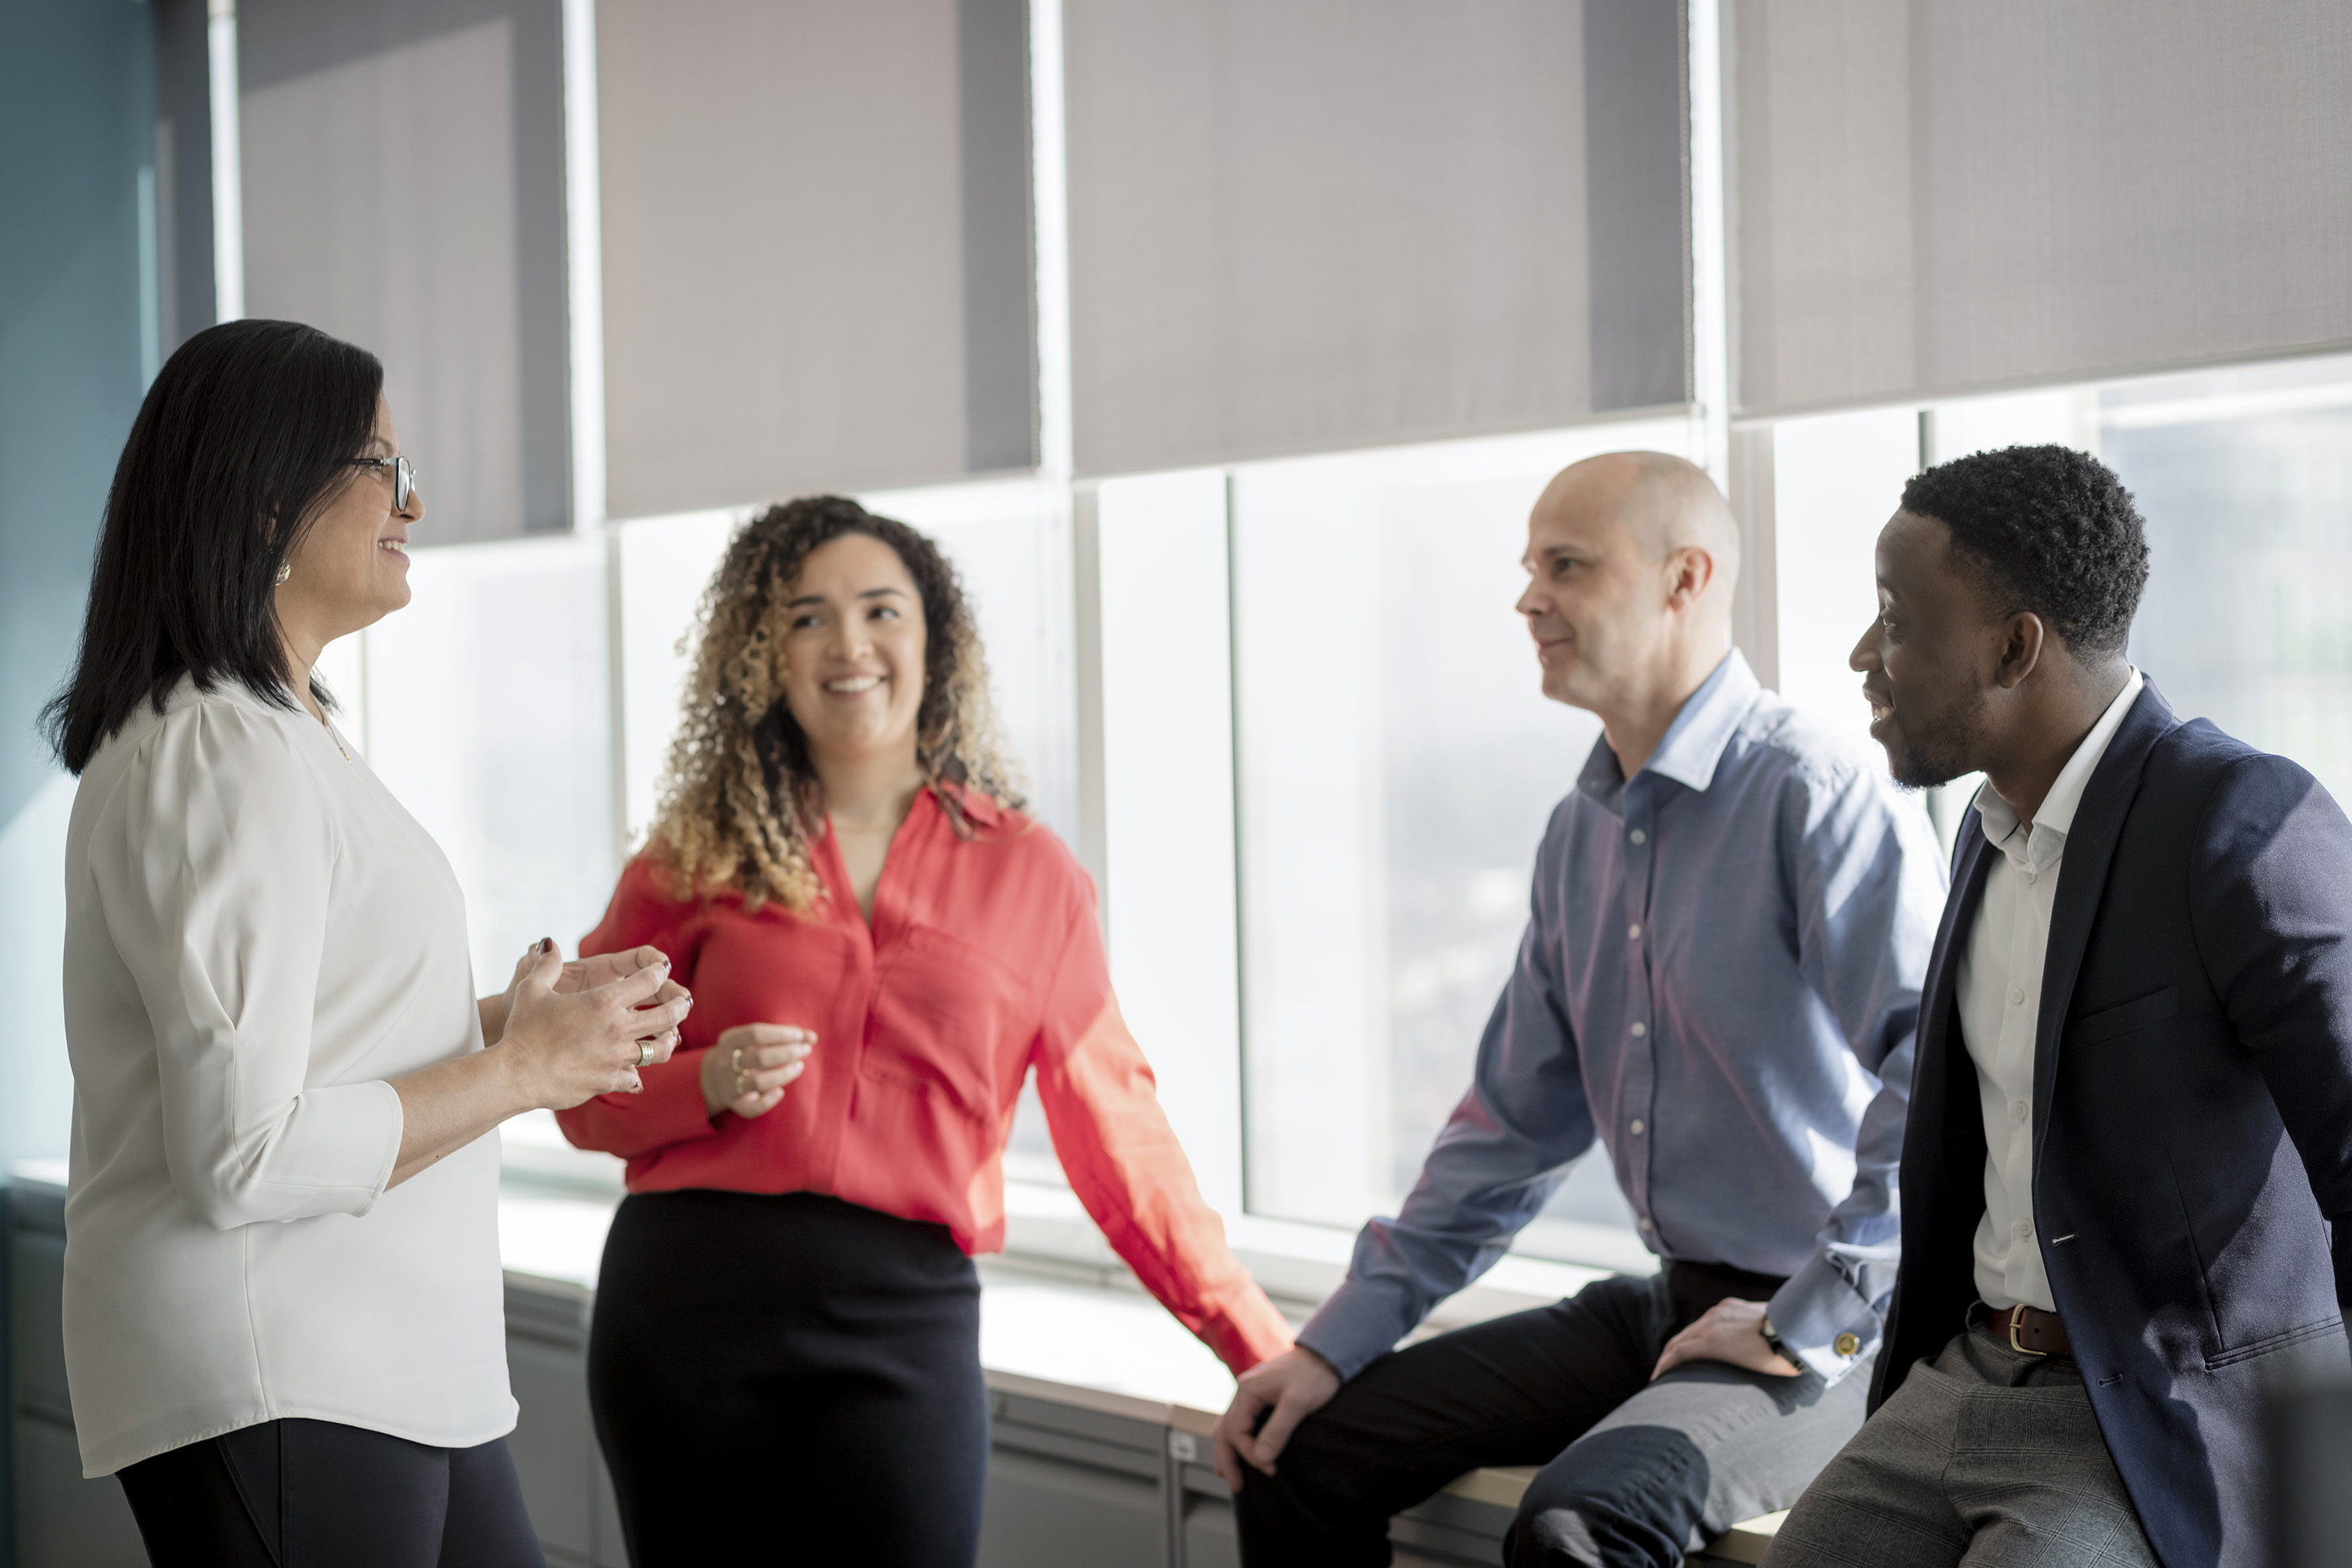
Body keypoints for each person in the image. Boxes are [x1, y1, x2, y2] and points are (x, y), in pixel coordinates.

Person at [1215, 452, 1948, 1566]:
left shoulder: (1814, 792)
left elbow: (1937, 1080)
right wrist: (1331, 1347)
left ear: (1683, 578)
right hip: (1671, 1301)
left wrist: (1812, 1315)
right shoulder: (1581, 830)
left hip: (1831, 1329)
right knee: (1305, 1448)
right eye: (1527, 567)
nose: (1527, 598)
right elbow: (1505, 1133)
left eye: (1565, 564)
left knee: (1576, 1526)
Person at [46, 319, 692, 1566]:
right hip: (280, 1365)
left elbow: (322, 1042)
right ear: (261, 497)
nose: (417, 500)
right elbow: (245, 1148)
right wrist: (522, 1074)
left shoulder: (276, 734)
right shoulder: (218, 750)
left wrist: (528, 1023)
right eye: (380, 463)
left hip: (389, 1363)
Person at [557, 495, 1291, 1567]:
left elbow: (1118, 1135)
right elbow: (576, 1093)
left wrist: (1252, 1342)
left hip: (904, 1313)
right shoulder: (688, 856)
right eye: (805, 617)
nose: (847, 644)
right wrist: (702, 1080)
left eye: (879, 609)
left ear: (933, 638)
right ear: (764, 652)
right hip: (686, 1303)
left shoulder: (1032, 874)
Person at [1764, 446, 2352, 1568]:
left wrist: (2327, 1498)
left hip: (2140, 1418)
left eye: (1893, 618)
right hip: (1957, 1379)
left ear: (2013, 644)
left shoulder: (2237, 817)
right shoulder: (1987, 838)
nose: (1859, 656)